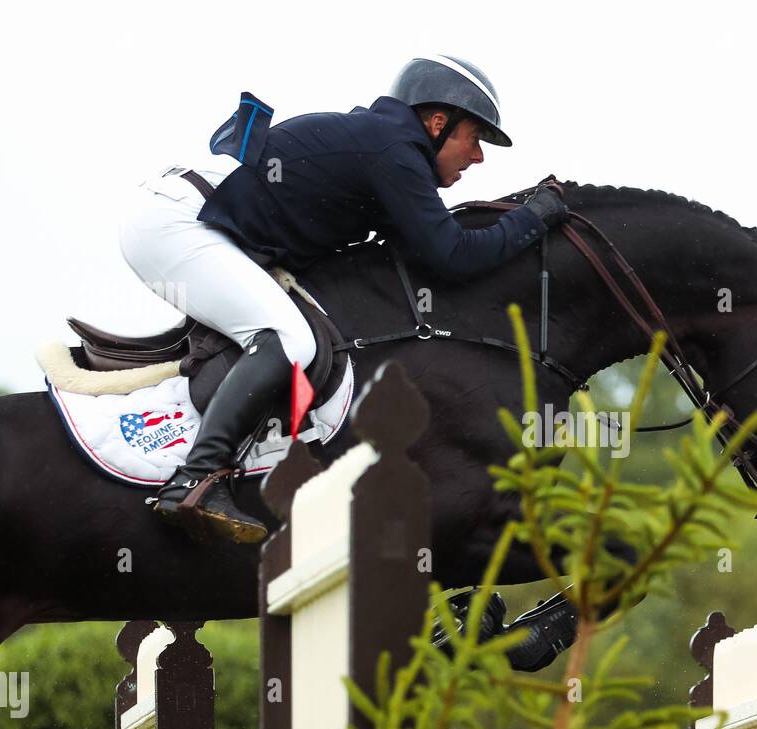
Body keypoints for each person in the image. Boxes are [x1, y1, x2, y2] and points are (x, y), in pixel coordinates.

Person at [117, 55, 569, 544]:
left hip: (194, 222)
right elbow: (455, 255)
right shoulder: (394, 150)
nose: (477, 156)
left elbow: (428, 256)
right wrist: (534, 216)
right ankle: (197, 478)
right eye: (474, 138)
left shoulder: (388, 148)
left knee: (290, 332)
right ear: (438, 123)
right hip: (179, 225)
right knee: (288, 339)